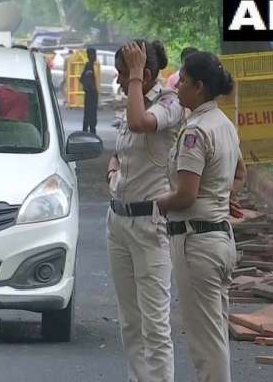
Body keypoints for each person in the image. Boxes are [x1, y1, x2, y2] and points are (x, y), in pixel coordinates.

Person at [156, 51, 246, 382]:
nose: (177, 86)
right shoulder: (224, 124)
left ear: (199, 87)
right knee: (214, 336)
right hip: (219, 238)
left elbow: (186, 194)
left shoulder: (195, 132)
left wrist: (161, 203)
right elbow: (240, 174)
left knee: (204, 344)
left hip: (196, 242)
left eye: (183, 81)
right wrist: (224, 197)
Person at [105, 40, 183, 382]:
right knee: (130, 322)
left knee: (154, 324)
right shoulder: (131, 103)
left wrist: (136, 77)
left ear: (146, 74)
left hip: (150, 224)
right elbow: (122, 150)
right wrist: (112, 173)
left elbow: (139, 124)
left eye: (124, 74)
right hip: (119, 221)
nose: (120, 81)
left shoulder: (171, 103)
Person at [80, 47, 98, 134]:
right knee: (90, 113)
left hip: (90, 93)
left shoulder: (90, 65)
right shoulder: (89, 66)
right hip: (91, 94)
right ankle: (91, 131)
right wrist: (92, 89)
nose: (95, 56)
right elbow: (84, 79)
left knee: (88, 113)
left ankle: (86, 130)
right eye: (94, 54)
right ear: (90, 55)